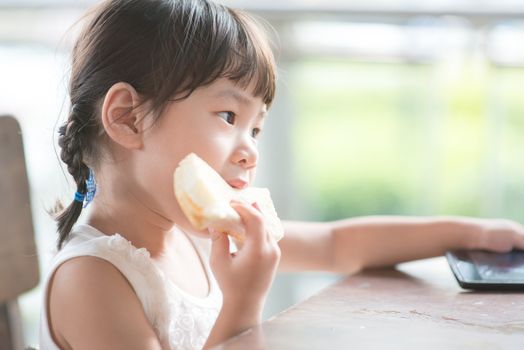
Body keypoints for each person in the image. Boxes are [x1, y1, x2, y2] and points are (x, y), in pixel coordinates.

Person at [39, 0, 524, 349]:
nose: (249, 151)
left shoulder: (191, 232)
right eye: (229, 117)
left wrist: (468, 232)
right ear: (128, 117)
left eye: (257, 128)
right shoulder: (93, 279)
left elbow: (336, 244)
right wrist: (244, 302)